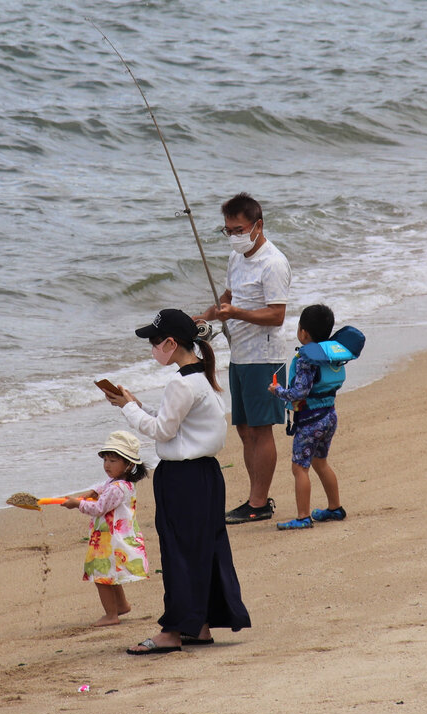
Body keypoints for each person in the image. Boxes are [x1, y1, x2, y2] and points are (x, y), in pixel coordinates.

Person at [103, 309, 251, 654]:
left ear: (171, 343)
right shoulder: (203, 379)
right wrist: (137, 406)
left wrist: (128, 408)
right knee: (204, 549)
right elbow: (174, 426)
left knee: (180, 552)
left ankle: (172, 631)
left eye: (155, 342)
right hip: (206, 476)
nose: (152, 348)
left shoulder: (181, 383)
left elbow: (161, 431)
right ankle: (197, 625)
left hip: (183, 478)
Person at [195, 192, 292, 525]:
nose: (234, 236)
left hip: (265, 357)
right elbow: (228, 297)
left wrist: (238, 313)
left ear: (257, 225)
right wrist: (205, 316)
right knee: (244, 429)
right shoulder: (237, 257)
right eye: (228, 230)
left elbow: (277, 315)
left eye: (238, 229)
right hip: (240, 354)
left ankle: (259, 502)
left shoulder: (273, 262)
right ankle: (255, 495)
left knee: (262, 430)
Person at [268, 304, 362, 530]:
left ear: (303, 333)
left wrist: (277, 391)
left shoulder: (306, 359)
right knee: (321, 462)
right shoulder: (332, 355)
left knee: (300, 468)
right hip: (329, 416)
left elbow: (299, 393)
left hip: (310, 421)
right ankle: (334, 508)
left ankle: (302, 517)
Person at [60, 430, 150, 627]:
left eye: (113, 461)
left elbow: (99, 508)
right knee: (110, 575)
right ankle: (122, 606)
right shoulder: (119, 483)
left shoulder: (118, 489)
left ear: (129, 464)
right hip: (109, 538)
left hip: (110, 541)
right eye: (106, 460)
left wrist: (77, 504)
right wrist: (92, 491)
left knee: (101, 576)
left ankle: (111, 615)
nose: (107, 465)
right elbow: (103, 486)